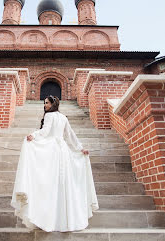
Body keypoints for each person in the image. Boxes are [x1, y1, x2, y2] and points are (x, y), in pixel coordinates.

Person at [10, 95, 99, 232]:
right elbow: (70, 136)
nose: (45, 105)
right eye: (44, 103)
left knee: (49, 183)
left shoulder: (49, 116)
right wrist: (80, 148)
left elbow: (45, 132)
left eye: (46, 103)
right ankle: (64, 219)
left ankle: (49, 219)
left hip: (52, 150)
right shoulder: (63, 117)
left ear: (52, 104)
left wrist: (33, 135)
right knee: (62, 183)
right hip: (63, 151)